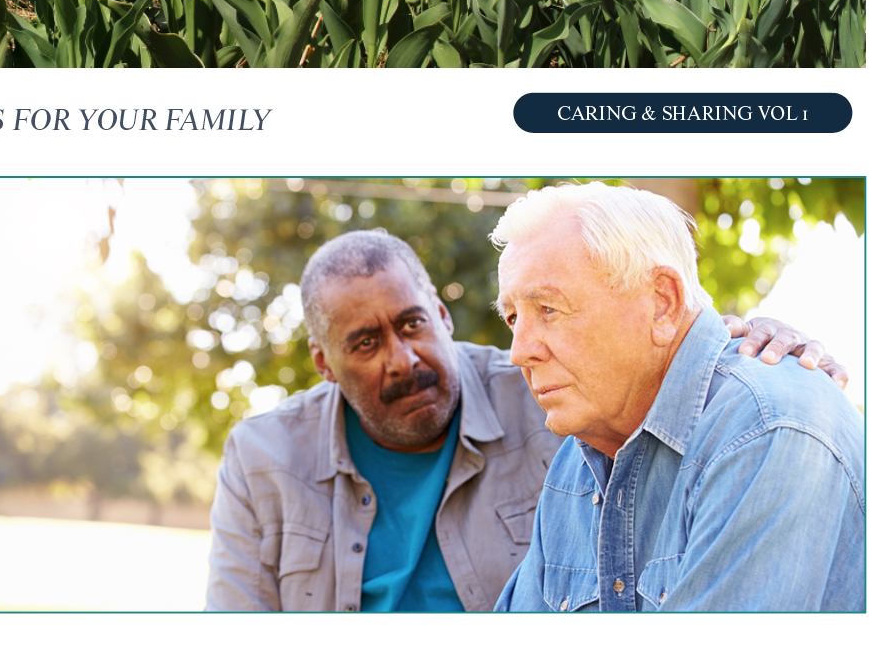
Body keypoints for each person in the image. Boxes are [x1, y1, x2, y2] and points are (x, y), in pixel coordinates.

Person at [205, 225, 846, 613]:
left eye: (412, 324)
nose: (402, 360)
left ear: (443, 315)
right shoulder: (263, 456)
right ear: (324, 363)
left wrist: (748, 341)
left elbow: (660, 362)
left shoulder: (551, 394)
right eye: (366, 344)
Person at [492, 183, 863, 613]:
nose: (520, 351)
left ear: (663, 303)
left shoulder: (767, 429)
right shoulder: (576, 464)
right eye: (514, 318)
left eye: (549, 310)